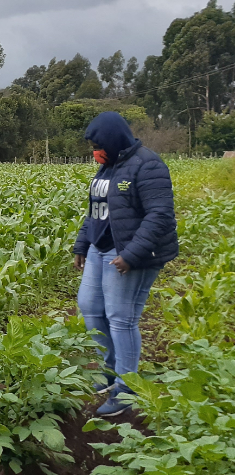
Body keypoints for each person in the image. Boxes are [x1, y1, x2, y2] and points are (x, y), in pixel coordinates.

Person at [73, 111, 178, 417]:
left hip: (131, 254)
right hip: (100, 248)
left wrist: (132, 254)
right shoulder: (106, 168)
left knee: (121, 318)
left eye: (98, 144)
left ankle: (126, 387)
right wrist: (82, 243)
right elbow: (96, 211)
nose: (95, 150)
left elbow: (160, 215)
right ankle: (107, 371)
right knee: (90, 306)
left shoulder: (147, 164)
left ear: (113, 139)